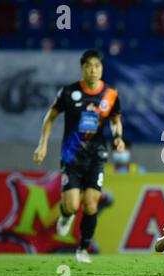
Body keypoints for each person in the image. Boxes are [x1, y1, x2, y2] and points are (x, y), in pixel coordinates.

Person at [33, 48, 125, 263]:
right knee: (73, 205)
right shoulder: (69, 92)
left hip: (96, 155)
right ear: (82, 68)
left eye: (97, 66)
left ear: (102, 68)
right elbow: (51, 117)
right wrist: (42, 144)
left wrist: (118, 137)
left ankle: (83, 249)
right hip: (71, 155)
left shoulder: (111, 95)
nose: (93, 70)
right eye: (89, 66)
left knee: (92, 203)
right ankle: (66, 214)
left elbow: (115, 120)